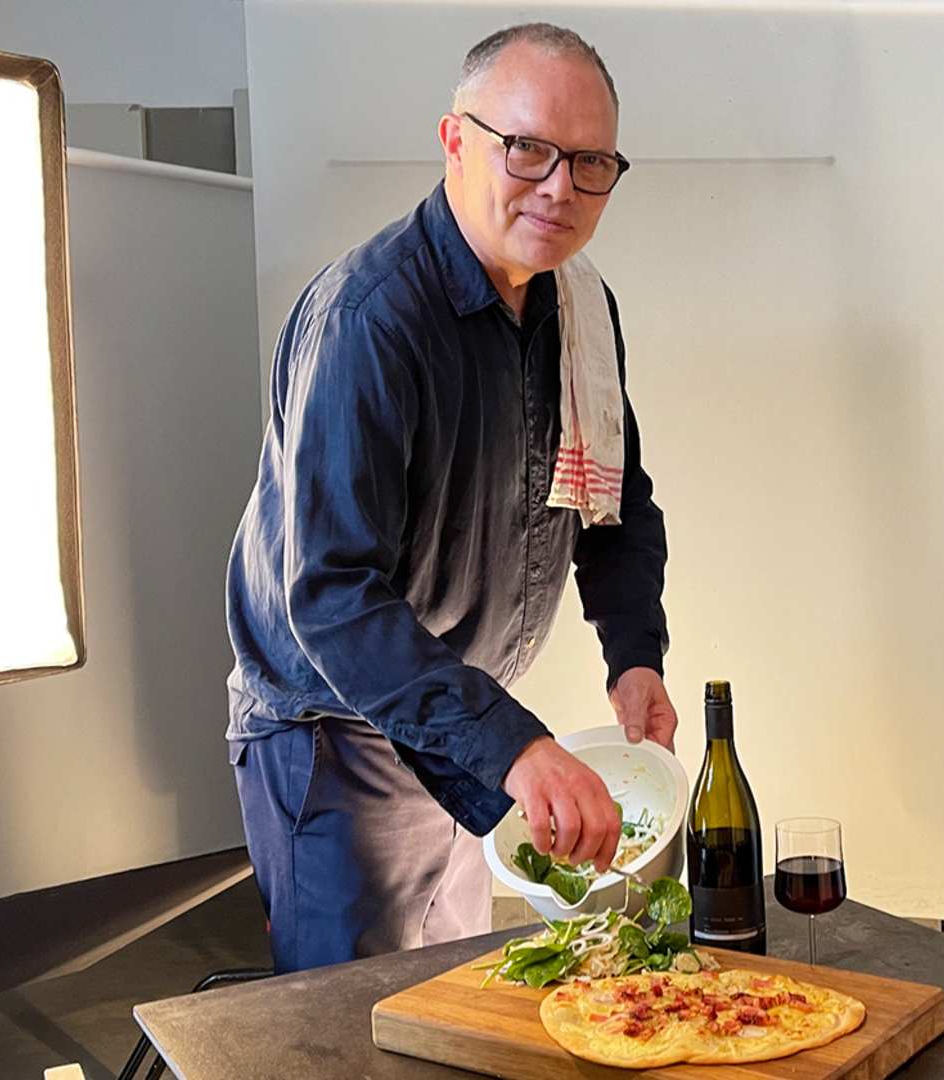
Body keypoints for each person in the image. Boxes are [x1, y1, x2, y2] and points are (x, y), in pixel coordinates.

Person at [223, 22, 675, 974]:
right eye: (528, 149)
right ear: (455, 141)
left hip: (456, 723)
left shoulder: (579, 305)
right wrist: (513, 748)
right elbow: (332, 598)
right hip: (339, 739)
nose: (559, 187)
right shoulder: (369, 320)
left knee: (447, 999)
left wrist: (635, 656)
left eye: (590, 162)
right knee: (353, 1023)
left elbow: (616, 506)